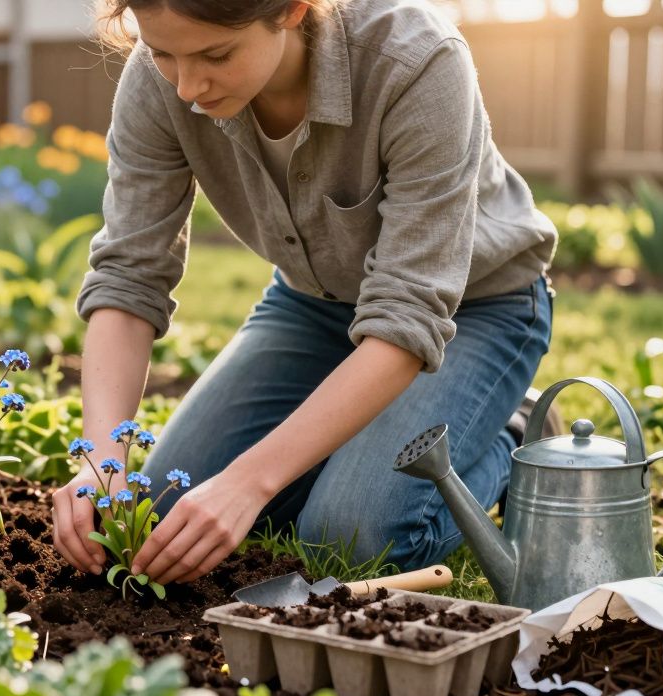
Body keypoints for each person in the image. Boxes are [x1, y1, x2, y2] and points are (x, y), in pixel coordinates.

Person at [50, 0, 557, 587]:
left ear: (292, 10)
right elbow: (129, 276)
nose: (188, 86)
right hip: (313, 307)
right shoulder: (155, 83)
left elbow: (406, 315)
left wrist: (251, 481)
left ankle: (514, 435)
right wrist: (103, 459)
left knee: (351, 535)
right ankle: (347, 455)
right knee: (166, 505)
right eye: (163, 53)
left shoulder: (416, 61)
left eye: (216, 55)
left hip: (476, 310)